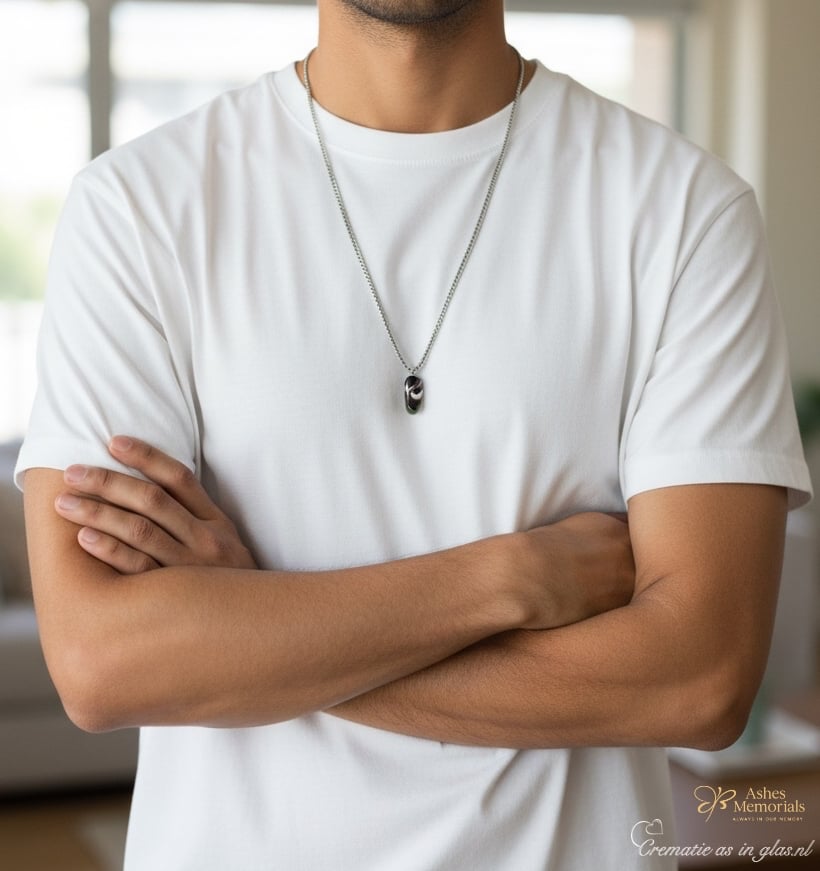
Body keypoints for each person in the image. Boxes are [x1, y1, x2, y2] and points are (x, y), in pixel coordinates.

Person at [17, 1, 812, 868]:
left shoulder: (685, 212)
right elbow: (101, 663)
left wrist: (253, 631)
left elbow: (702, 678)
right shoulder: (136, 207)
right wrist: (508, 578)